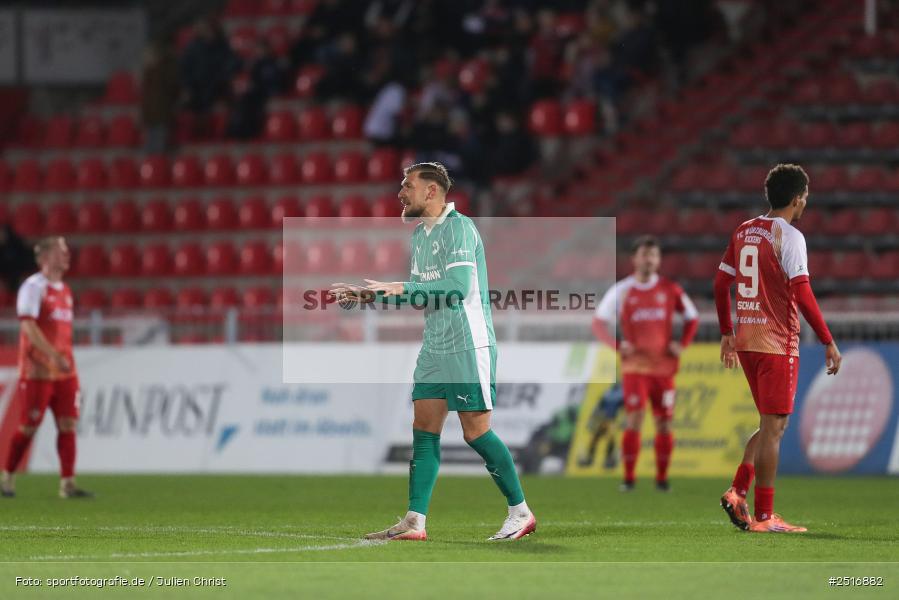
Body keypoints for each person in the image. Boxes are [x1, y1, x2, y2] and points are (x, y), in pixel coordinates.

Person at [330, 162, 535, 541]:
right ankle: (414, 520)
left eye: (407, 185)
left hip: (466, 343)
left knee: (476, 433)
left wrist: (400, 287)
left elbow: (456, 288)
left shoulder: (459, 228)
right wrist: (370, 295)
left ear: (431, 191)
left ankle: (520, 513)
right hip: (435, 345)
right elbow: (424, 295)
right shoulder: (421, 237)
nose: (400, 192)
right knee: (424, 431)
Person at [715, 163, 840, 533]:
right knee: (775, 427)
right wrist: (828, 340)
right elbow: (802, 292)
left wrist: (726, 332)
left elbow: (721, 283)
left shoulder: (744, 230)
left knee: (769, 424)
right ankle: (766, 517)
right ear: (799, 197)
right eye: (806, 197)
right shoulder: (790, 236)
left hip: (748, 341)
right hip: (777, 344)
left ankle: (738, 491)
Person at [593, 236, 699, 491]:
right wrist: (618, 346)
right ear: (635, 259)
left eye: (654, 255)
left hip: (664, 369)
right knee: (635, 418)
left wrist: (681, 344)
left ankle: (662, 479)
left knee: (664, 422)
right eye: (644, 255)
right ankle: (629, 478)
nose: (649, 260)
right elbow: (598, 323)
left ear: (659, 260)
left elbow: (692, 318)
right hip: (635, 369)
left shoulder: (670, 289)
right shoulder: (621, 290)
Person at [1, 237, 92, 499]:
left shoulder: (65, 290)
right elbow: (28, 327)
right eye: (60, 251)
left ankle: (68, 483)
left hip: (65, 371)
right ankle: (7, 474)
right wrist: (53, 355)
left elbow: (62, 332)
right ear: (43, 258)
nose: (66, 255)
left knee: (68, 423)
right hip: (37, 371)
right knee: (29, 425)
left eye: (66, 250)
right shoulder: (33, 287)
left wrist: (65, 358)